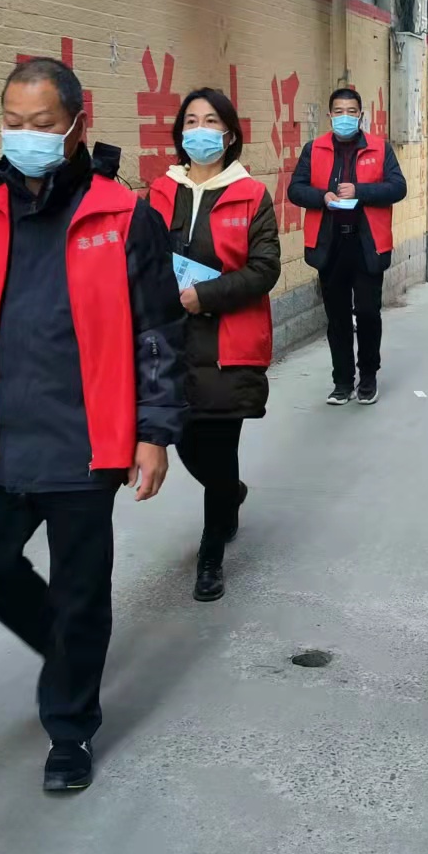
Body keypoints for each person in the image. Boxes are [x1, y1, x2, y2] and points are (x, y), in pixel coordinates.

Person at [0, 57, 186, 793]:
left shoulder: (124, 215)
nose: (25, 136)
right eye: (13, 122)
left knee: (82, 590)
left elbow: (157, 333)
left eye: (42, 124)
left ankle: (70, 728)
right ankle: (67, 648)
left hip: (85, 442)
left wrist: (154, 433)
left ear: (78, 125)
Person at [147, 88, 281, 603]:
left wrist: (205, 296)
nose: (199, 130)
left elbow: (264, 268)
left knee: (220, 451)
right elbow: (142, 255)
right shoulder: (161, 190)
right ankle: (230, 495)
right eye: (191, 121)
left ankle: (210, 556)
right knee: (185, 442)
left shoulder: (250, 194)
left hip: (227, 344)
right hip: (172, 344)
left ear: (228, 134)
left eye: (210, 121)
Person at [288, 87, 407, 405]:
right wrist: (322, 197)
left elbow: (398, 187)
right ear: (330, 116)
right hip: (330, 245)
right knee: (337, 317)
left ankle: (368, 377)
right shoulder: (314, 149)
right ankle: (342, 382)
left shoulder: (380, 148)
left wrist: (360, 191)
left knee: (367, 313)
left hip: (367, 244)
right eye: (339, 111)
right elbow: (295, 190)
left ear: (360, 115)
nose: (345, 117)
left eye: (351, 111)